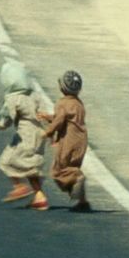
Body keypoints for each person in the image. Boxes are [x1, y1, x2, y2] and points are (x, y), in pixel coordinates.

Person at [0, 60, 50, 210]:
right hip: (39, 135)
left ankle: (19, 187)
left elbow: (6, 121)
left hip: (25, 136)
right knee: (29, 165)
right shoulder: (35, 95)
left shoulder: (12, 99)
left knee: (6, 160)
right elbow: (44, 114)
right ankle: (39, 197)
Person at [40, 70, 90, 212]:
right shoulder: (78, 103)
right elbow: (69, 118)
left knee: (59, 171)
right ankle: (83, 202)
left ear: (62, 88)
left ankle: (77, 177)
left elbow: (60, 121)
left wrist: (47, 132)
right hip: (81, 141)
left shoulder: (62, 103)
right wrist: (49, 116)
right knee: (71, 167)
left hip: (68, 141)